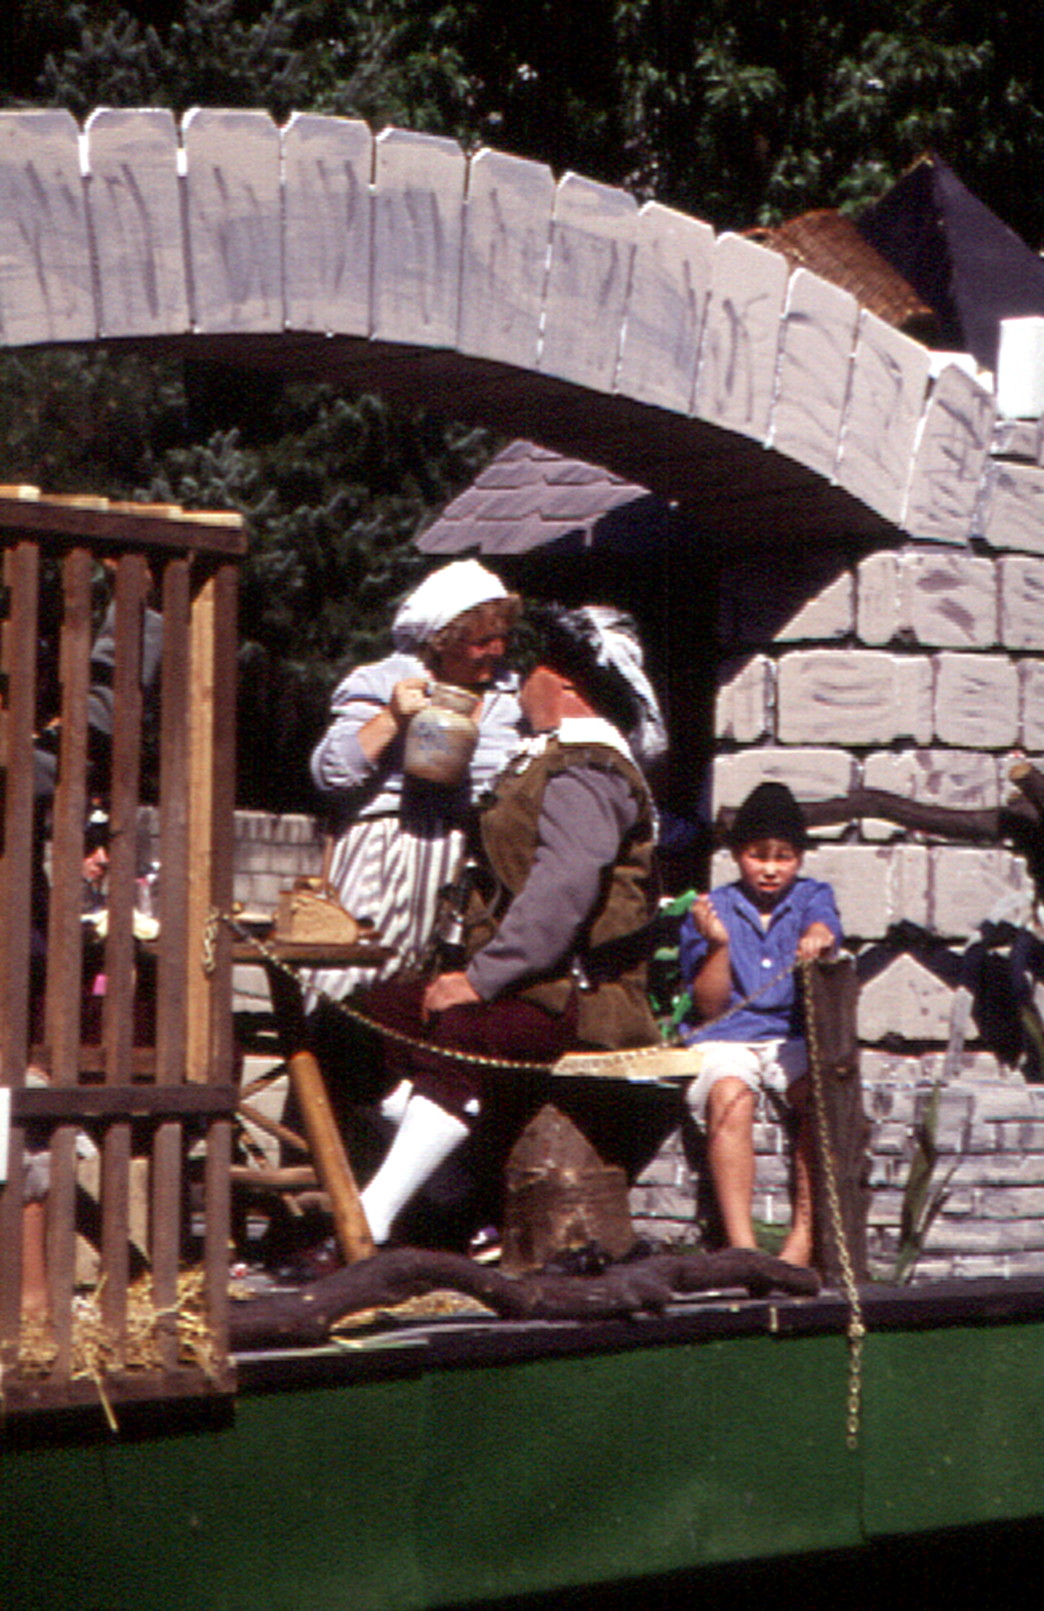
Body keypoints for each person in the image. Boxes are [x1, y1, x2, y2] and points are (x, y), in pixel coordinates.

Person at [355, 605, 666, 1247]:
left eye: (533, 670)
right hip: (526, 984)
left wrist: (480, 980)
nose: (521, 682)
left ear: (566, 684)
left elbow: (563, 891)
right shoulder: (547, 757)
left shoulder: (590, 767)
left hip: (578, 996)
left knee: (460, 1034)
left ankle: (365, 1224)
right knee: (362, 1023)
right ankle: (457, 1192)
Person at [305, 559, 524, 1006]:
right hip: (388, 844)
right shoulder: (385, 680)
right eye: (481, 641)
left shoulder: (510, 696)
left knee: (431, 990)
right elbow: (331, 774)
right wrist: (392, 718)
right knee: (351, 977)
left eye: (502, 638)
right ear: (441, 640)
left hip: (472, 853)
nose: (497, 650)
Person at [678, 781, 842, 1267]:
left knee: (820, 1101)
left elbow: (825, 924)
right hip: (726, 1035)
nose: (770, 869)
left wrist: (818, 936)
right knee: (730, 1096)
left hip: (788, 1036)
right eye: (757, 855)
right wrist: (719, 945)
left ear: (799, 858)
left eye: (784, 857)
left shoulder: (812, 896)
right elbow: (710, 1008)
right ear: (736, 856)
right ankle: (743, 1247)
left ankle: (802, 1240)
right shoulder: (712, 908)